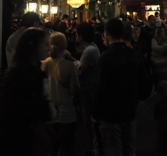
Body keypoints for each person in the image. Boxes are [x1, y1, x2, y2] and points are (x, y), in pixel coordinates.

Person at [92, 18, 152, 156]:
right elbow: (146, 84)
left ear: (106, 33)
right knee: (130, 148)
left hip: (110, 114)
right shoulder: (134, 55)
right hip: (129, 111)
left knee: (113, 149)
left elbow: (101, 88)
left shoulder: (106, 57)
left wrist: (95, 113)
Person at [0, 28, 55, 156]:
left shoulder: (35, 72)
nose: (49, 48)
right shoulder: (20, 76)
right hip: (23, 141)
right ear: (34, 46)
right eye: (45, 44)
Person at [65, 22, 100, 156]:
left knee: (88, 122)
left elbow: (79, 70)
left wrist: (64, 65)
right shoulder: (93, 47)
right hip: (90, 88)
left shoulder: (89, 50)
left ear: (81, 36)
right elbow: (82, 64)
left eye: (77, 34)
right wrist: (70, 57)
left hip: (89, 90)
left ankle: (92, 149)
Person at [42, 32, 80, 156]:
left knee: (51, 149)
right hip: (66, 115)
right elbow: (75, 91)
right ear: (65, 46)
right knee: (66, 149)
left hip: (48, 114)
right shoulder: (69, 67)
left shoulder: (44, 64)